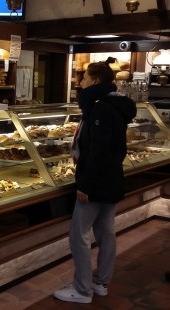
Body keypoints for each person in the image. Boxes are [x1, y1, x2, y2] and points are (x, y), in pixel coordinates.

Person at [53, 57, 136, 304]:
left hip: (96, 181)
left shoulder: (99, 107)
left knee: (79, 234)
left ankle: (81, 289)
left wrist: (85, 184)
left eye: (85, 77)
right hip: (112, 178)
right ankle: (100, 282)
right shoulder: (114, 104)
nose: (80, 81)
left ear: (96, 80)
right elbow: (113, 149)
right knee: (106, 231)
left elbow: (99, 149)